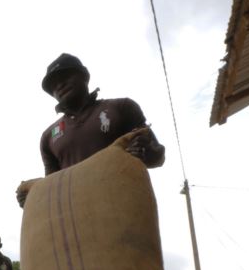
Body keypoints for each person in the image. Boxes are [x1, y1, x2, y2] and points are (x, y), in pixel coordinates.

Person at [18, 53, 165, 206]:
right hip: (77, 218)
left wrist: (148, 152)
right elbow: (54, 186)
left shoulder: (122, 107)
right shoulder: (48, 137)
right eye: (53, 85)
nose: (59, 85)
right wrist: (34, 196)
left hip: (124, 210)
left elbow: (158, 156)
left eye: (65, 76)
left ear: (84, 76)